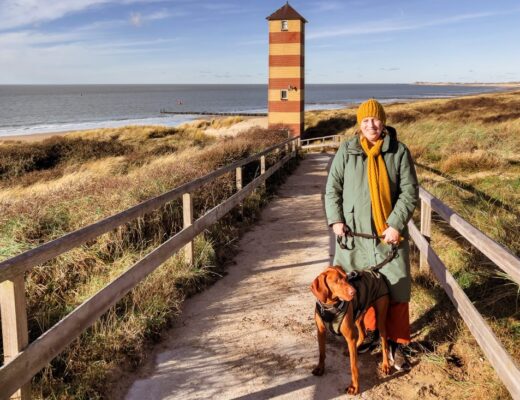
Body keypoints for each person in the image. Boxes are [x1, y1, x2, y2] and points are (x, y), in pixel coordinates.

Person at [325, 98, 419, 371]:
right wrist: (336, 220)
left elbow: (409, 192)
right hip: (353, 237)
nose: (371, 125)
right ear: (359, 123)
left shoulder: (398, 152)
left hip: (388, 236)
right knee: (358, 289)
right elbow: (333, 189)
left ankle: (398, 344)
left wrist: (396, 225)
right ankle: (370, 336)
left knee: (397, 289)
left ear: (384, 121)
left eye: (376, 119)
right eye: (365, 120)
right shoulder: (347, 151)